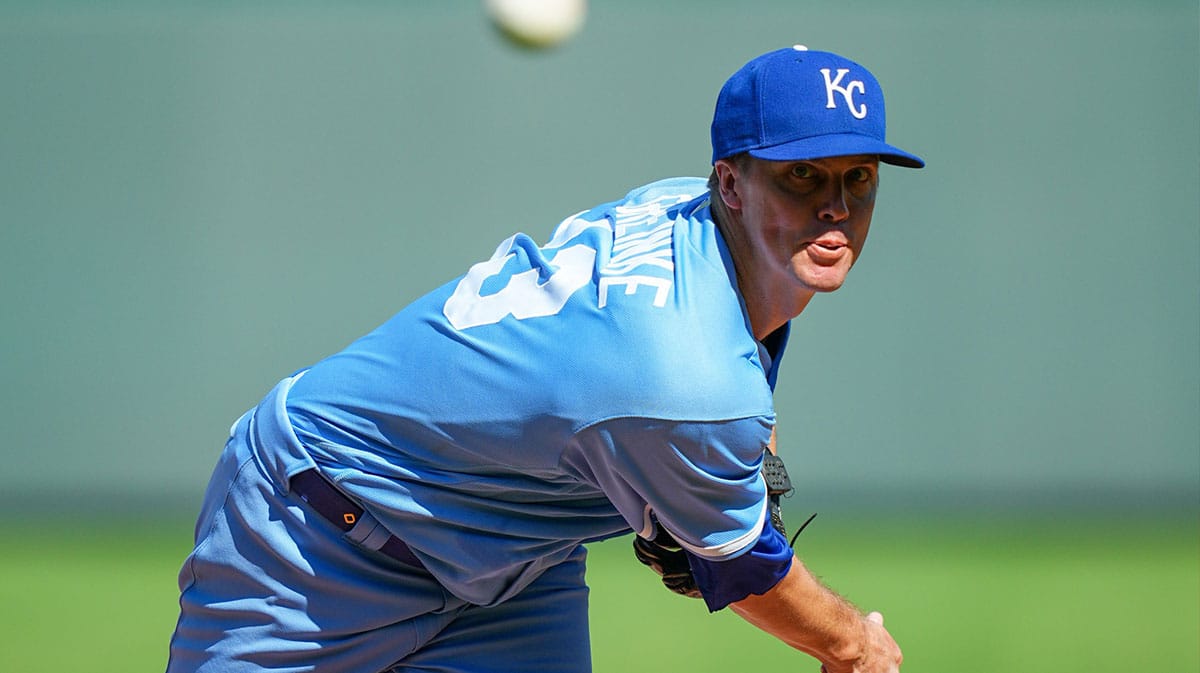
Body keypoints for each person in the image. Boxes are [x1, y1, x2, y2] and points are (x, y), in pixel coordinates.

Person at [166, 44, 924, 673]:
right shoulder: (686, 377)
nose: (836, 205)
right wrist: (854, 644)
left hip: (514, 565)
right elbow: (745, 571)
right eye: (803, 174)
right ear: (729, 181)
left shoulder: (682, 212)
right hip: (312, 538)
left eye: (858, 176)